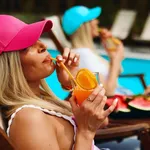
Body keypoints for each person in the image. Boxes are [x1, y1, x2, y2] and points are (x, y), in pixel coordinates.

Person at [0, 15, 117, 150]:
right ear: (8, 65)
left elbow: (101, 119)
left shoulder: (42, 101)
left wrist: (72, 80)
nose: (43, 45)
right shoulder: (29, 119)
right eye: (25, 46)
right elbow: (91, 126)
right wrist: (85, 133)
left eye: (36, 39)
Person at [62, 6, 130, 96]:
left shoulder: (86, 52)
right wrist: (116, 59)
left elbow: (118, 71)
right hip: (114, 103)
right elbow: (108, 92)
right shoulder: (82, 56)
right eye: (92, 19)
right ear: (85, 25)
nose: (97, 21)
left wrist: (112, 55)